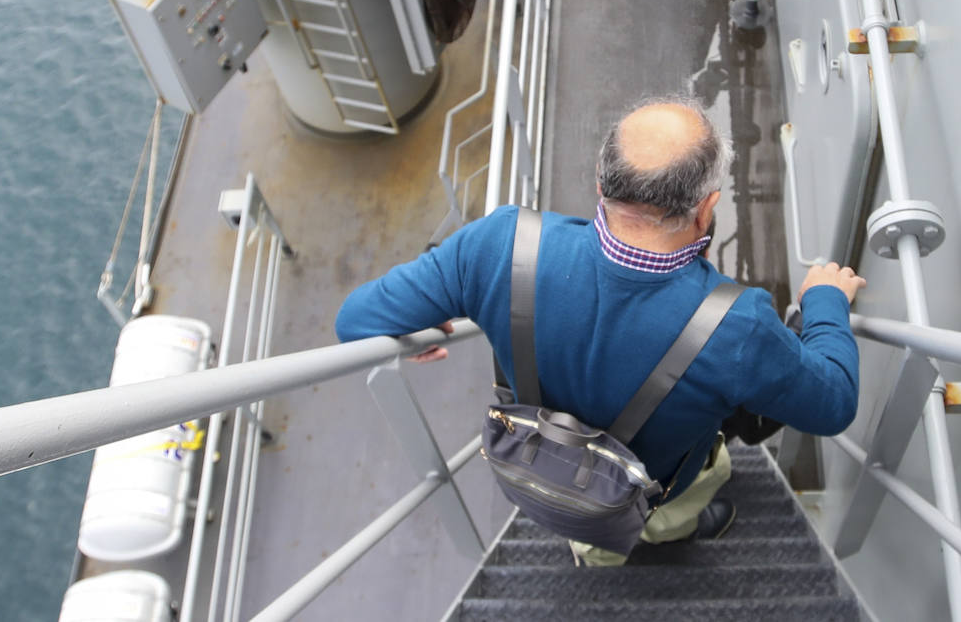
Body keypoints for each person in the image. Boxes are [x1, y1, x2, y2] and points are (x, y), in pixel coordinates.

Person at [335, 96, 862, 565]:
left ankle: (593, 547)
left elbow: (356, 320)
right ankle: (665, 534)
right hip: (656, 483)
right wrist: (825, 299)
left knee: (593, 513)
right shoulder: (738, 325)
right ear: (706, 208)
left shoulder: (498, 246)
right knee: (667, 509)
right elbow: (833, 402)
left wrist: (420, 330)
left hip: (542, 465)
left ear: (600, 182)